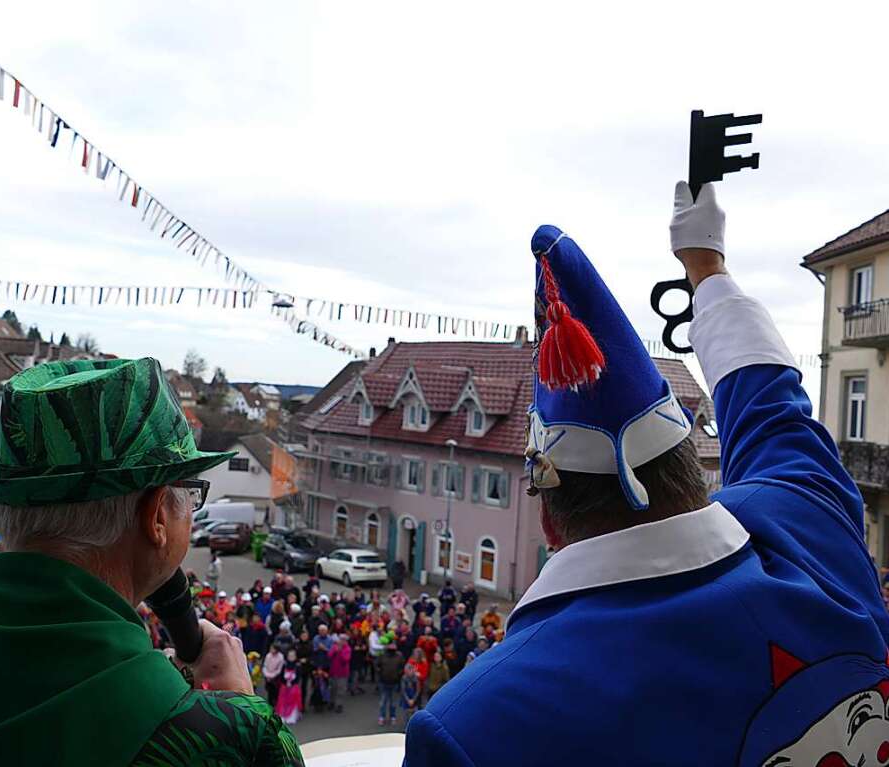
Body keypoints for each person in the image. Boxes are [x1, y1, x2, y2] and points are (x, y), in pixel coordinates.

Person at [404, 186, 889, 765]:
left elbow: (771, 419)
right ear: (691, 464)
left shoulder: (477, 723)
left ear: (548, 522)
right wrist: (708, 270)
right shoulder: (812, 528)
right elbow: (773, 414)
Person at [0, 358, 302, 766]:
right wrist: (242, 709)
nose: (192, 510)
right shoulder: (219, 737)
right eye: (189, 495)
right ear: (155, 518)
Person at [376, 640, 405, 726]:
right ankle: (382, 717)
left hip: (394, 682)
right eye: (390, 645)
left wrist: (398, 674)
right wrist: (380, 673)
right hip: (383, 682)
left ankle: (393, 717)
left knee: (393, 702)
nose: (392, 647)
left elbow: (402, 666)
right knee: (383, 701)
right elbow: (377, 665)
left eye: (393, 645)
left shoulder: (399, 656)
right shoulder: (382, 655)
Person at [274, 649, 302, 726]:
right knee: (283, 701)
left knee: (292, 701)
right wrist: (285, 683)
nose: (291, 657)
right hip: (284, 687)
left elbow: (298, 677)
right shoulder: (284, 665)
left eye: (293, 656)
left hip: (293, 687)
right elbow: (281, 676)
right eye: (289, 656)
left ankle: (291, 716)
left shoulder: (297, 666)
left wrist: (292, 683)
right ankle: (282, 716)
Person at [327, 633, 351, 713]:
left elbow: (345, 660)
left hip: (343, 673)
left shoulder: (347, 649)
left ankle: (339, 704)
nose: (342, 641)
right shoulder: (334, 647)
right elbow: (329, 656)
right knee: (332, 688)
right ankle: (332, 702)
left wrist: (340, 652)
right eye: (341, 640)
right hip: (333, 672)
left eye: (344, 640)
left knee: (341, 690)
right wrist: (334, 651)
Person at [263, 643, 285, 708]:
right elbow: (265, 666)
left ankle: (276, 705)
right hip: (268, 677)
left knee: (276, 692)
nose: (271, 650)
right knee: (269, 692)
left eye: (272, 648)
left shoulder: (281, 657)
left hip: (276, 677)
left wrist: (272, 676)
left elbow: (279, 669)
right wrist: (267, 675)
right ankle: (270, 705)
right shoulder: (268, 656)